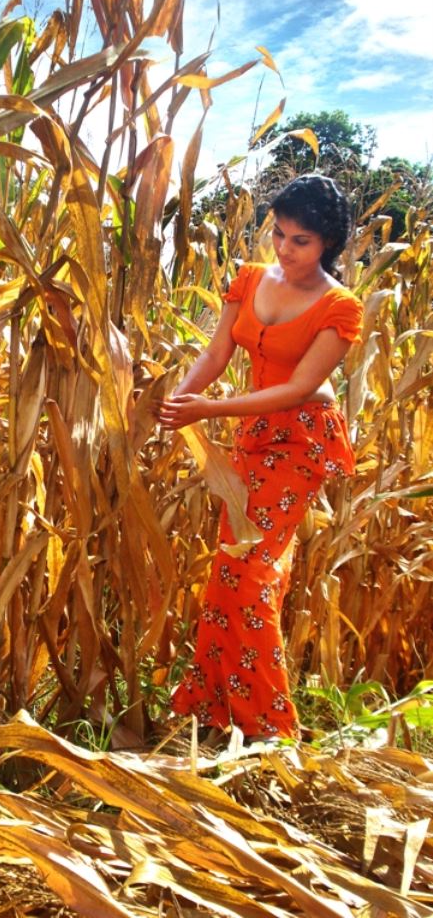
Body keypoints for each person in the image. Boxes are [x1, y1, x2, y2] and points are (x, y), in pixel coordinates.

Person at [155, 174, 363, 747]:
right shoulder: (249, 279)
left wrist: (209, 410)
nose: (285, 249)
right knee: (230, 569)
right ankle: (213, 709)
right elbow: (216, 353)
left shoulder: (340, 307)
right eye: (279, 233)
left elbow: (298, 388)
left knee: (251, 577)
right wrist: (177, 403)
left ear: (327, 243)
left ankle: (271, 730)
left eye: (301, 241)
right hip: (253, 436)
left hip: (300, 441)